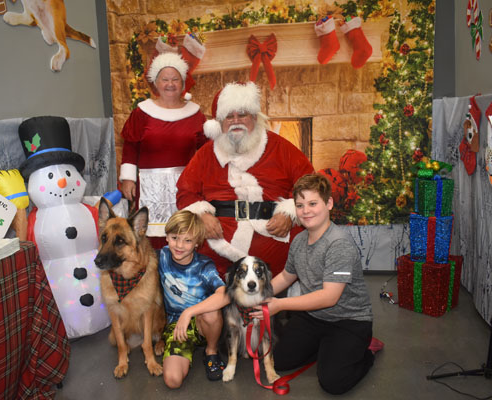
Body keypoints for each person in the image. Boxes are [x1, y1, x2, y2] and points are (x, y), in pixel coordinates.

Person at [253, 173, 383, 395]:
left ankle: (365, 351)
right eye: (300, 205)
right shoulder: (299, 240)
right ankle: (328, 349)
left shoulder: (339, 244)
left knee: (333, 382)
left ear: (329, 203)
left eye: (313, 203)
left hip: (348, 320)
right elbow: (286, 276)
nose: (306, 211)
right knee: (280, 361)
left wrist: (280, 305)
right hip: (313, 317)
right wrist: (258, 296)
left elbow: (328, 297)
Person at [176, 81, 314, 278]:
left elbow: (310, 185)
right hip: (217, 246)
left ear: (255, 117)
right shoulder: (206, 154)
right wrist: (201, 216)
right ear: (220, 123)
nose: (236, 121)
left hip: (274, 246)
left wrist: (290, 213)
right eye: (229, 117)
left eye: (242, 115)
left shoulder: (280, 147)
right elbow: (185, 192)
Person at [119, 52, 207, 249]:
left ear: (183, 83)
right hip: (150, 186)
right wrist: (128, 179)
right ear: (156, 83)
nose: (170, 84)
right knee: (150, 238)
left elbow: (204, 152)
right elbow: (131, 146)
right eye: (165, 79)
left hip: (185, 185)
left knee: (184, 234)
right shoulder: (142, 112)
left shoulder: (195, 114)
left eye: (175, 79)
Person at [158, 210, 228, 388]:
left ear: (197, 243)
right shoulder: (161, 257)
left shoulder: (204, 265)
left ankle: (211, 351)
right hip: (176, 327)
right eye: (175, 238)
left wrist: (189, 312)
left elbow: (225, 294)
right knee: (173, 381)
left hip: (203, 323)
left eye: (187, 240)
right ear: (166, 237)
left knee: (211, 311)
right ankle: (183, 351)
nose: (179, 245)